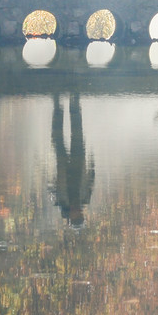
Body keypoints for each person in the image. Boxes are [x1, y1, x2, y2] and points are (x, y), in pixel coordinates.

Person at [50, 93, 94, 229]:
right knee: (78, 132)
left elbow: (51, 187)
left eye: (77, 217)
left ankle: (58, 106)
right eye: (81, 216)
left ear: (70, 216)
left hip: (62, 166)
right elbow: (91, 180)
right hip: (79, 164)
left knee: (57, 136)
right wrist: (92, 164)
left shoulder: (60, 202)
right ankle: (74, 103)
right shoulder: (85, 199)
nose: (79, 213)